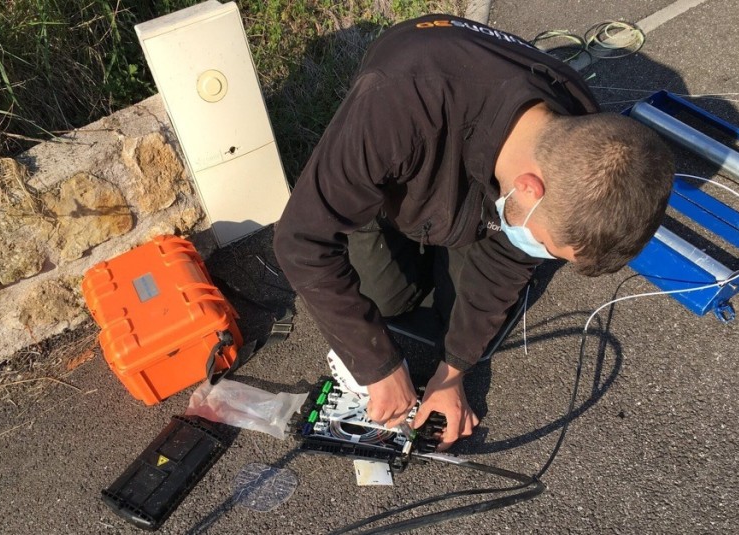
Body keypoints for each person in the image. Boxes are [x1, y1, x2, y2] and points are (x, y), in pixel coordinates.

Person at [273, 15, 674, 451]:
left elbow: (507, 263)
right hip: (400, 168)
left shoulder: (578, 135)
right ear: (528, 188)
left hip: (476, 186)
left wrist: (451, 373)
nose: (539, 251)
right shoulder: (396, 105)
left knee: (462, 323)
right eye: (545, 245)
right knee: (379, 301)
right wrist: (379, 366)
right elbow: (300, 241)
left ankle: (450, 242)